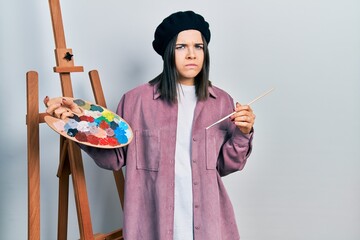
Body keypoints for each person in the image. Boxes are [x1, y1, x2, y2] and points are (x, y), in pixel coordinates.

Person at [45, 10, 255, 240]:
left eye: (198, 46)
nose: (191, 54)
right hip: (151, 225)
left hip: (209, 224)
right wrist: (78, 125)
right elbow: (114, 159)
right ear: (168, 52)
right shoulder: (136, 101)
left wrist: (242, 134)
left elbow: (226, 165)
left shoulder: (222, 102)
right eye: (181, 47)